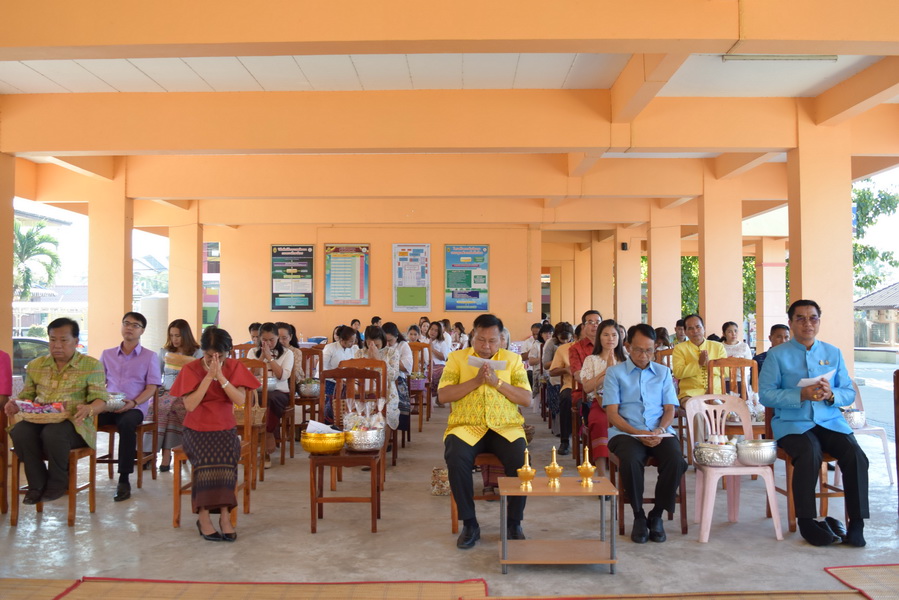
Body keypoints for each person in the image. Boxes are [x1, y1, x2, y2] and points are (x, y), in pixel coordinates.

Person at [759, 299, 869, 547]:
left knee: (856, 455)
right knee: (809, 452)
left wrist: (832, 394)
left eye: (813, 318)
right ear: (791, 323)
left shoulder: (833, 352)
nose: (807, 323)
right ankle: (807, 522)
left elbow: (848, 392)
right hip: (792, 424)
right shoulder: (776, 355)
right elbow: (765, 395)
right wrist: (800, 395)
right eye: (800, 318)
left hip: (830, 422)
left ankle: (857, 524)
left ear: (819, 321)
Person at [439, 314, 532, 549]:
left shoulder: (512, 360)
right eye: (481, 340)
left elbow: (526, 399)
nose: (486, 346)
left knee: (521, 460)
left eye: (492, 341)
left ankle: (514, 523)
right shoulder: (457, 359)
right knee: (456, 456)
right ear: (473, 337)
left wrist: (496, 382)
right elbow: (443, 395)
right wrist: (476, 381)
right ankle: (470, 524)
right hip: (466, 426)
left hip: (505, 427)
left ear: (501, 340)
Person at [170, 326, 260, 542]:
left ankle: (224, 516)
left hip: (225, 428)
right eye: (209, 356)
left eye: (220, 355)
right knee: (205, 459)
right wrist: (209, 377)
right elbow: (190, 405)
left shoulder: (234, 367)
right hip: (196, 429)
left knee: (227, 457)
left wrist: (221, 376)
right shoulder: (191, 369)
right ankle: (203, 517)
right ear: (202, 351)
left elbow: (240, 400)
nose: (215, 359)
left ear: (229, 351)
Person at [6, 318, 107, 504]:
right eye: (53, 340)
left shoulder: (91, 365)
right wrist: (15, 403)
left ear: (76, 342)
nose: (57, 345)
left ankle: (58, 483)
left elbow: (101, 399)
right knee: (20, 431)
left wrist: (89, 408)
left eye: (63, 340)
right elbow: (27, 396)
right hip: (39, 420)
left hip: (75, 425)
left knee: (53, 433)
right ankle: (37, 484)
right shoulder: (36, 365)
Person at [604, 324, 686, 544]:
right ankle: (638, 515)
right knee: (631, 460)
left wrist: (660, 430)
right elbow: (612, 414)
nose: (644, 355)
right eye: (639, 350)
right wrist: (637, 432)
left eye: (649, 350)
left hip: (659, 431)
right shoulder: (615, 373)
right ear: (628, 347)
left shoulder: (663, 372)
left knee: (676, 460)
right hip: (626, 432)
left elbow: (669, 409)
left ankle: (657, 514)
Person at [99, 312, 162, 501]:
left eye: (135, 325)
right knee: (84, 418)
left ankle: (124, 479)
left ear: (142, 331)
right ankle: (66, 471)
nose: (129, 328)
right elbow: (97, 383)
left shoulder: (149, 356)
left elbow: (152, 387)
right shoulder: (107, 354)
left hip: (134, 407)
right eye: (126, 323)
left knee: (126, 424)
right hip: (109, 405)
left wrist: (134, 403)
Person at [156, 319, 203, 472]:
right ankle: (164, 453)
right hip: (167, 392)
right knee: (160, 407)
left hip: (186, 393)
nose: (174, 339)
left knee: (172, 407)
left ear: (185, 335)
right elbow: (157, 376)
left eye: (178, 336)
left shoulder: (196, 352)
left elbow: (199, 376)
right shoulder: (164, 352)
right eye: (171, 335)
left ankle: (166, 455)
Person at [247, 322, 294, 469]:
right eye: (264, 340)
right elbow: (249, 376)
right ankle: (255, 441)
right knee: (250, 399)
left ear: (277, 338)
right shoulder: (252, 352)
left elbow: (282, 376)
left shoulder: (287, 353)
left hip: (279, 392)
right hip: (257, 391)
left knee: (269, 399)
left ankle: (266, 436)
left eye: (271, 340)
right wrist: (262, 357)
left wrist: (270, 358)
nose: (268, 343)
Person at [580, 319, 628, 465]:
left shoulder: (627, 359)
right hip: (600, 402)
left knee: (631, 420)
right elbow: (587, 388)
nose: (610, 339)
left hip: (625, 402)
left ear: (619, 337)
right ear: (599, 337)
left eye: (614, 335)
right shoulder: (591, 360)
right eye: (606, 335)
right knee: (600, 422)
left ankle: (624, 463)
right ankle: (601, 472)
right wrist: (607, 371)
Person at [672, 314, 727, 406]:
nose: (695, 331)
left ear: (704, 328)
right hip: (690, 394)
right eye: (690, 328)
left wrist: (709, 364)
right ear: (685, 331)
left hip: (716, 393)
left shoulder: (718, 347)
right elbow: (678, 373)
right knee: (694, 408)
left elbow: (726, 371)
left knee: (722, 409)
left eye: (698, 327)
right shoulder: (679, 348)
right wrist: (698, 364)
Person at [355, 326, 400, 431]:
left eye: (376, 345)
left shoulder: (391, 352)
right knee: (355, 412)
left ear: (383, 341)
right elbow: (356, 375)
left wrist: (378, 361)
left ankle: (383, 440)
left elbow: (394, 376)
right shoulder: (360, 353)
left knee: (385, 414)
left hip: (387, 394)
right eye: (369, 344)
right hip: (363, 393)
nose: (373, 347)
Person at [569, 310, 601, 453]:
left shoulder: (610, 345)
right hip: (585, 392)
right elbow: (577, 374)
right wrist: (598, 382)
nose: (595, 325)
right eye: (590, 322)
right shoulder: (576, 348)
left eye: (598, 322)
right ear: (583, 326)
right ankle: (595, 451)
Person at [322, 325, 359, 423]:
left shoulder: (354, 349)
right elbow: (321, 367)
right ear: (342, 340)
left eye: (354, 340)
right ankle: (330, 421)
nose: (353, 343)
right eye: (350, 341)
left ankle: (348, 420)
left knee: (356, 392)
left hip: (348, 382)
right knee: (334, 395)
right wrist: (337, 378)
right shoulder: (330, 348)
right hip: (330, 380)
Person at [543, 322, 574, 437]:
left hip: (570, 377)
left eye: (567, 339)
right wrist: (559, 359)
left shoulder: (574, 344)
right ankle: (560, 428)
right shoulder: (551, 343)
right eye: (562, 339)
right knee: (561, 393)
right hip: (555, 376)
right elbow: (546, 365)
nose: (565, 342)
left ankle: (573, 428)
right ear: (556, 336)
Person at [383, 322, 413, 432]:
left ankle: (390, 429)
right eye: (385, 340)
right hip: (382, 380)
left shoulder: (403, 345)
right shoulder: (380, 345)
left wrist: (390, 360)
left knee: (392, 398)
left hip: (398, 379)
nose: (387, 343)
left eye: (390, 341)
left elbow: (406, 367)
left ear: (396, 337)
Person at [427, 321, 452, 407]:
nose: (433, 332)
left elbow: (443, 357)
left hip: (438, 364)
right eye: (431, 329)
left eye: (436, 330)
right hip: (426, 364)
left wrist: (432, 349)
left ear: (439, 332)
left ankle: (439, 396)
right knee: (424, 372)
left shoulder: (442, 343)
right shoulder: (423, 340)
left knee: (442, 372)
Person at [276, 321, 306, 387]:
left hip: (292, 383)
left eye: (284, 338)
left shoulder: (295, 352)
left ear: (290, 337)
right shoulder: (270, 351)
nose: (280, 341)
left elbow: (296, 373)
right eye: (277, 338)